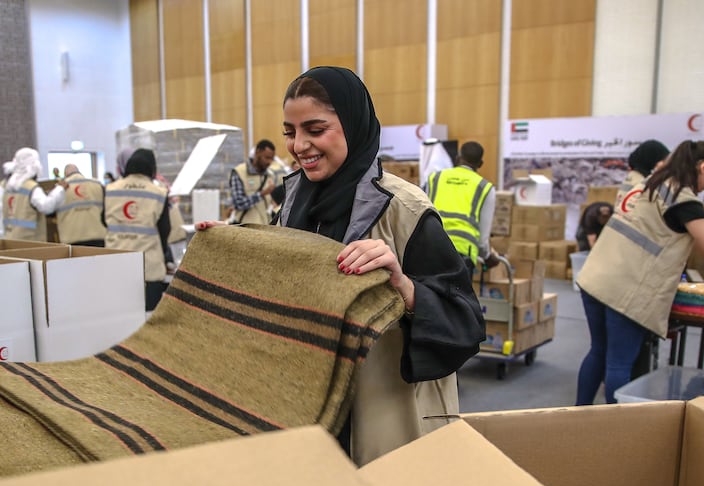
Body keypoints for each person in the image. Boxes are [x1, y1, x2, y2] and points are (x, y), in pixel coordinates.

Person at [197, 66, 485, 465]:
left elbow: (466, 323)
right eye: (289, 132)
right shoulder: (294, 203)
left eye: (315, 130)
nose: (299, 145)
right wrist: (234, 247)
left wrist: (403, 287)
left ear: (352, 123)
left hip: (385, 424)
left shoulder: (406, 211)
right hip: (311, 417)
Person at [575, 140, 704, 406]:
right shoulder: (684, 200)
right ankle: (611, 430)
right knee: (619, 363)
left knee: (598, 352)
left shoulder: (648, 184)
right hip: (625, 290)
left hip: (595, 278)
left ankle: (578, 413)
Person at [105, 148, 171, 312]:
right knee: (148, 317)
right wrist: (162, 252)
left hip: (117, 263)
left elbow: (103, 220)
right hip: (149, 264)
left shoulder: (110, 190)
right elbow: (165, 229)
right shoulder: (159, 193)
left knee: (120, 315)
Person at [426, 141, 499, 273]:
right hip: (462, 253)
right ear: (480, 164)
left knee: (427, 293)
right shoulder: (485, 187)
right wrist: (488, 257)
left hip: (431, 246)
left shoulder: (435, 178)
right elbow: (483, 239)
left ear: (457, 158)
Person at [1, 148, 67, 241]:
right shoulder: (31, 187)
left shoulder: (4, 186)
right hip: (30, 242)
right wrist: (60, 189)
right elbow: (47, 207)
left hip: (8, 240)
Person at [56, 163, 106, 247]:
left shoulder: (60, 188)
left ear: (65, 174)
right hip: (98, 236)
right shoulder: (97, 184)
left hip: (71, 238)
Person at [229, 139, 276, 225]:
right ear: (257, 152)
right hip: (244, 227)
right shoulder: (239, 172)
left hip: (265, 227)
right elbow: (238, 204)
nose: (269, 162)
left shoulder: (270, 175)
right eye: (267, 158)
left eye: (271, 159)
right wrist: (261, 194)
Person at [616, 139, 670, 206]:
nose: (665, 164)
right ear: (651, 160)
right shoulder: (643, 184)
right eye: (662, 160)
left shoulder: (633, 177)